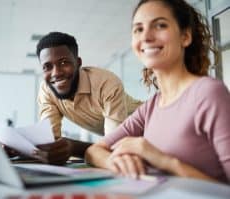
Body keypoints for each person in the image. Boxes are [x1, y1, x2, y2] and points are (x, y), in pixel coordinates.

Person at [85, 0, 230, 183]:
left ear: (185, 36)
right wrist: (116, 161)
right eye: (138, 29)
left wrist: (163, 160)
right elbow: (93, 151)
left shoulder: (209, 94)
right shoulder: (151, 106)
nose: (146, 37)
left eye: (160, 25)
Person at [35, 32, 142, 165]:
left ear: (78, 62)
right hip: (127, 147)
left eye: (64, 62)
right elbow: (50, 140)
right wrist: (20, 148)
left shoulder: (106, 83)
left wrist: (72, 147)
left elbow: (113, 147)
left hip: (152, 129)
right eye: (47, 67)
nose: (56, 73)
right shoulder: (47, 89)